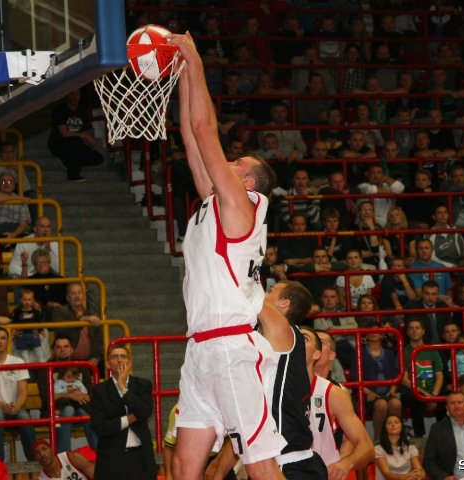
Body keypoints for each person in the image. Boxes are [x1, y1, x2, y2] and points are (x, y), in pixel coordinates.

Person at [169, 32, 285, 480]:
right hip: (200, 348)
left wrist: (195, 59)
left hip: (232, 348)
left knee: (260, 466)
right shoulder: (213, 206)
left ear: (250, 185)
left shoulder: (242, 208)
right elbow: (189, 134)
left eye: (239, 165)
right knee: (184, 467)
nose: (229, 164)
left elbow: (204, 130)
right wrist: (181, 74)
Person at [207, 281, 328, 479]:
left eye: (272, 291)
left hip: (287, 464)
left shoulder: (283, 330)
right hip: (280, 458)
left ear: (284, 304)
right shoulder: (269, 343)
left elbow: (249, 293)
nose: (266, 292)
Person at [303, 327, 374, 476]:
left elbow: (356, 440)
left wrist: (343, 463)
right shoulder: (278, 384)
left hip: (324, 466)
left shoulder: (336, 392)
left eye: (321, 342)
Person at [91, 344, 157, 480]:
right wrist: (129, 419)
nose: (119, 360)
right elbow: (100, 426)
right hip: (111, 457)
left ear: (129, 362)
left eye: (123, 357)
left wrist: (123, 388)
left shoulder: (143, 385)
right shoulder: (99, 390)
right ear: (108, 364)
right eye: (115, 357)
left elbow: (145, 412)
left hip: (140, 456)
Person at [0, 326, 36, 461]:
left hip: (14, 407)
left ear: (8, 342)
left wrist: (16, 406)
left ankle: (33, 460)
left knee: (25, 416)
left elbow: (23, 391)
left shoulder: (18, 361)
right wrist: (2, 405)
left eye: (3, 338)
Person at [47, 89, 103, 182]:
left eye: (77, 94)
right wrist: (83, 136)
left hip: (76, 145)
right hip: (59, 143)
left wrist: (89, 141)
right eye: (72, 94)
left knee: (98, 158)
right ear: (67, 96)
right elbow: (64, 133)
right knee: (74, 140)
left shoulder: (82, 111)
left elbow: (85, 132)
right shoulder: (61, 109)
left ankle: (68, 162)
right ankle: (73, 174)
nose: (75, 97)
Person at [401, 318, 444, 438]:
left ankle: (443, 437)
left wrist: (434, 396)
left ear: (423, 331)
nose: (414, 331)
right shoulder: (403, 352)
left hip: (431, 392)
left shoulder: (432, 351)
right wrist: (425, 395)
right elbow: (404, 379)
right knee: (416, 399)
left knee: (448, 398)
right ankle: (420, 437)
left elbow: (439, 376)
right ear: (408, 332)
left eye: (417, 328)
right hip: (412, 392)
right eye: (411, 328)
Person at [374, 415, 425, 480]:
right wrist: (405, 477)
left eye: (396, 422)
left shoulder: (411, 448)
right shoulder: (379, 449)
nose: (393, 425)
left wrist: (420, 473)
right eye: (389, 423)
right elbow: (387, 474)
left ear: (402, 427)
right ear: (385, 428)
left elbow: (418, 468)